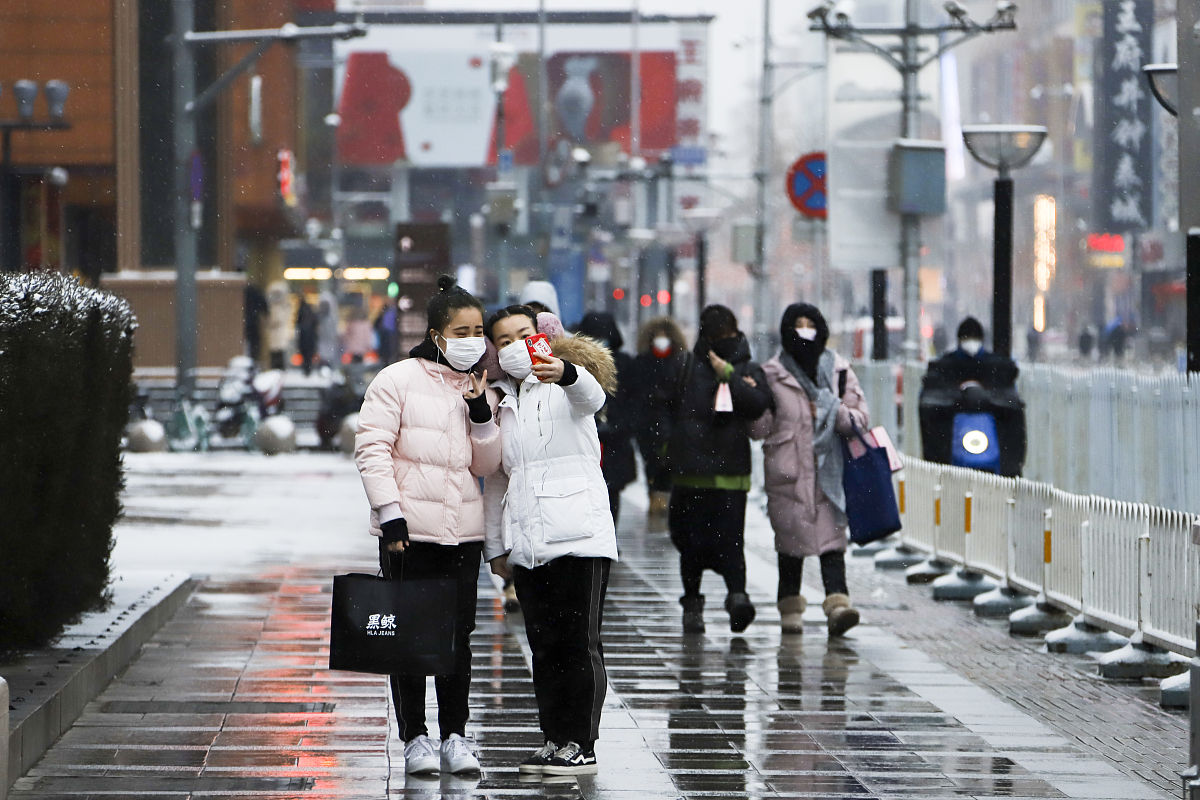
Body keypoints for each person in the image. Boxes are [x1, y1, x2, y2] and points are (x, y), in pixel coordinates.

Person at [353, 276, 500, 776]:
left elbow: (485, 465)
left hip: (462, 534)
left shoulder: (478, 385)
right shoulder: (397, 380)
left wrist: (480, 414)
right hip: (408, 533)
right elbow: (372, 449)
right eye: (462, 331)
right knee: (410, 636)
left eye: (478, 331)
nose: (473, 340)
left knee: (458, 637)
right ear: (437, 334)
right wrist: (389, 513)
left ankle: (456, 735)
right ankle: (415, 737)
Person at [483, 304, 618, 777]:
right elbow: (497, 478)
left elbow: (592, 398)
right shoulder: (502, 401)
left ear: (542, 335)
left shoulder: (568, 382)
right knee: (543, 646)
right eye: (504, 340)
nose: (515, 346)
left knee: (579, 644)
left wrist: (566, 372)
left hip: (580, 534)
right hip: (529, 541)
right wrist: (496, 546)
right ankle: (555, 738)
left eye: (523, 334)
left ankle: (583, 743)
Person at [750, 304, 869, 637]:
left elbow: (860, 419)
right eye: (797, 325)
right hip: (787, 474)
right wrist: (752, 399)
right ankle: (790, 609)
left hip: (829, 472)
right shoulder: (771, 374)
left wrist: (832, 410)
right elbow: (759, 429)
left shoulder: (839, 370)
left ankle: (838, 606)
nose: (804, 332)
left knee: (832, 542)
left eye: (810, 325)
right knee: (790, 544)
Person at [663, 305, 773, 634]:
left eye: (729, 333)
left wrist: (729, 375)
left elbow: (758, 405)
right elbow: (664, 408)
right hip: (693, 473)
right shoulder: (685, 366)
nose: (725, 339)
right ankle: (695, 604)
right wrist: (668, 451)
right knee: (692, 543)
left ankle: (736, 597)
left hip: (728, 474)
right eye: (719, 334)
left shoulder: (747, 368)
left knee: (728, 543)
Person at [575, 311, 637, 524]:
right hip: (588, 439)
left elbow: (634, 402)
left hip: (614, 444)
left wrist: (619, 426)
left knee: (611, 496)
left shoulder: (624, 364)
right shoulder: (577, 363)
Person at [632, 317, 688, 516]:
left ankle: (665, 503)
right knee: (653, 466)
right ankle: (656, 500)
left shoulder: (681, 363)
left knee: (670, 467)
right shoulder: (642, 363)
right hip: (647, 427)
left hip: (673, 427)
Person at [295, 296, 318, 376]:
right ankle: (308, 369)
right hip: (310, 336)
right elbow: (315, 322)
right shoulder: (310, 310)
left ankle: (306, 369)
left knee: (305, 354)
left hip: (304, 336)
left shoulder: (301, 310)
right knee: (309, 355)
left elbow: (297, 322)